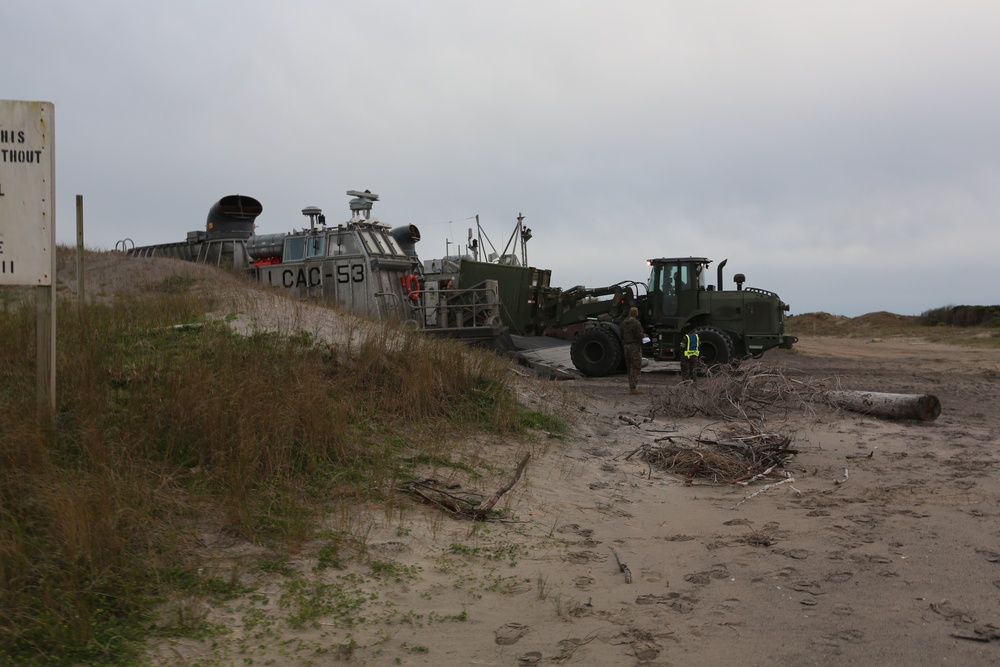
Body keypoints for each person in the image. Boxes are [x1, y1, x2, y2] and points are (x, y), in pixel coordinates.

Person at [620, 306, 644, 395]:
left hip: (626, 346)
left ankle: (631, 386)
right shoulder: (636, 323)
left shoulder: (624, 323)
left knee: (629, 366)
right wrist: (644, 337)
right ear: (635, 313)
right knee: (636, 366)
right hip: (634, 346)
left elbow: (621, 335)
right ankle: (633, 388)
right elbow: (639, 334)